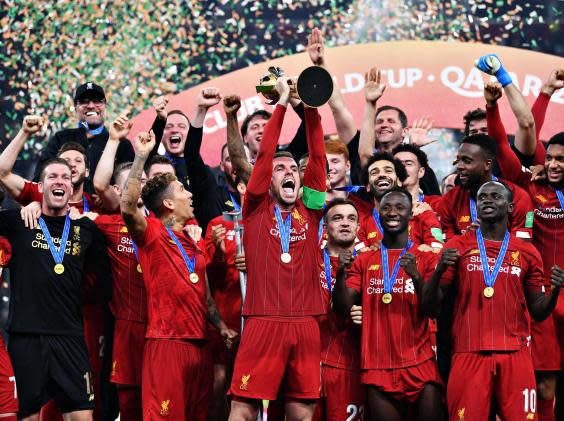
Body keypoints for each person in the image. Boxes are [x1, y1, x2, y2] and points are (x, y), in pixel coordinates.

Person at [227, 76, 326, 421]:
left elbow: (317, 158)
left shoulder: (311, 209)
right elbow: (265, 153)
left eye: (292, 169)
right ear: (266, 178)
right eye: (280, 169)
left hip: (305, 321)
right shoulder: (255, 208)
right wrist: (282, 104)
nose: (289, 172)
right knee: (242, 409)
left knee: (302, 411)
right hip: (262, 320)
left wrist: (309, 109)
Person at [421, 180, 564, 420]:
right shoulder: (457, 246)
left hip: (515, 354)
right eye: (482, 197)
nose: (487, 200)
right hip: (469, 352)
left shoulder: (527, 252)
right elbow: (430, 307)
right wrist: (437, 272)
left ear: (510, 207)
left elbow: (538, 311)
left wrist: (555, 291)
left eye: (495, 196)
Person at [119, 131, 237, 420]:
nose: (191, 195)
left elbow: (204, 292)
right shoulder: (152, 234)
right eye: (183, 192)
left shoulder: (195, 239)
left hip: (200, 346)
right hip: (167, 345)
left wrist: (220, 326)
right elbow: (126, 206)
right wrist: (140, 158)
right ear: (169, 204)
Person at [0, 158, 110, 421]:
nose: (59, 181)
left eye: (65, 177)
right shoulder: (18, 222)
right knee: (28, 416)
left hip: (70, 338)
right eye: (52, 177)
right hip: (27, 338)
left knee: (82, 416)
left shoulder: (87, 230)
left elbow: (104, 281)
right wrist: (32, 204)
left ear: (71, 190)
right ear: (40, 186)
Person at [485, 79, 564, 421]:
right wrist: (492, 107)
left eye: (563, 159)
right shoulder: (531, 183)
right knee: (544, 385)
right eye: (554, 158)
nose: (556, 164)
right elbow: (507, 140)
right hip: (543, 297)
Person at [333, 188, 443, 420]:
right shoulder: (364, 260)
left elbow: (433, 309)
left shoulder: (426, 258)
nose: (392, 212)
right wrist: (341, 274)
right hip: (377, 365)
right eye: (386, 208)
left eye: (399, 207)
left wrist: (416, 275)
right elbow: (342, 308)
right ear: (377, 213)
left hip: (420, 361)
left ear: (411, 212)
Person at [32, 83, 165, 193]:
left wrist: (159, 121)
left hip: (107, 214)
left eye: (96, 101)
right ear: (75, 108)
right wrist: (35, 202)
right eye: (84, 101)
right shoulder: (61, 138)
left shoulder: (121, 144)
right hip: (66, 210)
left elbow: (136, 174)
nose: (91, 105)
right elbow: (40, 176)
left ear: (105, 106)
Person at [313, 198, 365, 421]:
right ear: (325, 228)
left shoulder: (370, 264)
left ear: (358, 228)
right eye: (337, 218)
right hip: (309, 365)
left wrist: (369, 315)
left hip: (350, 367)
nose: (345, 223)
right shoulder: (308, 260)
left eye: (351, 218)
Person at [357, 67, 441, 195]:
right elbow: (365, 154)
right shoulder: (375, 168)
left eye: (391, 121)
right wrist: (370, 103)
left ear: (404, 131)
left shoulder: (423, 171)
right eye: (379, 122)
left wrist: (412, 148)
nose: (384, 125)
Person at [205, 177, 247, 421]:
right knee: (218, 383)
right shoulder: (218, 223)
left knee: (249, 387)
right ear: (241, 187)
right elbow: (209, 277)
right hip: (224, 319)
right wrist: (220, 254)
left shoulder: (271, 223)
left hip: (256, 321)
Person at [357, 153, 443, 250]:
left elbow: (438, 251)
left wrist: (410, 250)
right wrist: (374, 255)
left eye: (388, 171)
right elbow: (358, 256)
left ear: (399, 181)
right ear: (368, 186)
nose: (381, 175)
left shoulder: (424, 215)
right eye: (374, 173)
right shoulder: (360, 223)